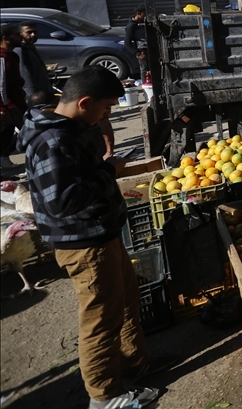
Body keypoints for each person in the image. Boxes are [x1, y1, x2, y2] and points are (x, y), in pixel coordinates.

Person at [17, 66, 162, 409]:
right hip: (84, 244)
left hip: (101, 234)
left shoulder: (70, 128)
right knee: (100, 319)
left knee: (125, 302)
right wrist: (107, 172)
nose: (107, 116)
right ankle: (104, 395)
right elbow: (62, 202)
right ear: (84, 103)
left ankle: (134, 364)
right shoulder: (53, 140)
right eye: (106, 108)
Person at [1, 24, 27, 171]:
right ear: (6, 38)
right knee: (25, 130)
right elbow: (1, 85)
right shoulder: (2, 57)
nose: (20, 37)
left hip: (17, 101)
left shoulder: (12, 55)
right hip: (10, 104)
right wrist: (3, 108)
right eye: (17, 35)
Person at [15, 22, 53, 102]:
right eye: (29, 32)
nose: (33, 35)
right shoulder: (21, 50)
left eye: (35, 32)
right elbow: (26, 77)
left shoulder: (30, 46)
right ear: (20, 34)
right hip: (35, 98)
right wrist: (34, 98)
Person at [124, 7, 148, 76]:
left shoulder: (143, 22)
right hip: (142, 50)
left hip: (149, 48)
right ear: (138, 14)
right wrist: (138, 53)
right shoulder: (131, 26)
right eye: (144, 14)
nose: (146, 15)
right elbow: (127, 43)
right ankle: (145, 85)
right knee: (144, 70)